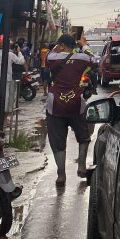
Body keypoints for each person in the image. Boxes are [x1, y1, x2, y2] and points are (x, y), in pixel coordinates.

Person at [46, 34, 93, 187]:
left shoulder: (52, 58)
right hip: (76, 104)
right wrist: (84, 45)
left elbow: (49, 54)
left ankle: (61, 174)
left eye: (60, 45)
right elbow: (95, 59)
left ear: (62, 45)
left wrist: (57, 46)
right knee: (83, 135)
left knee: (58, 141)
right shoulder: (83, 58)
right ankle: (81, 166)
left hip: (55, 105)